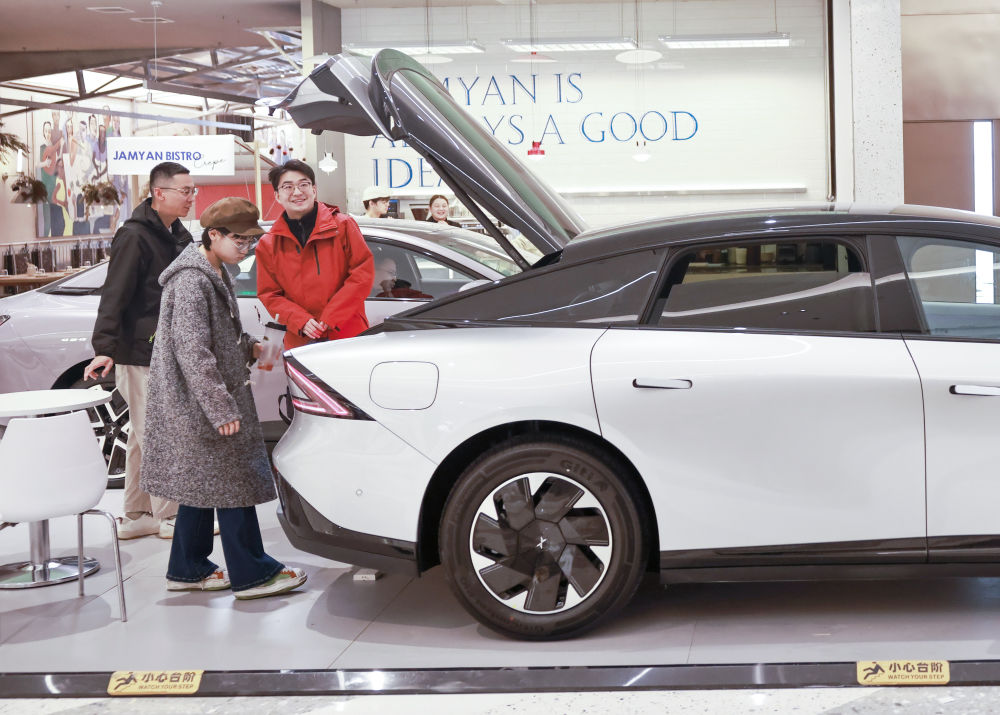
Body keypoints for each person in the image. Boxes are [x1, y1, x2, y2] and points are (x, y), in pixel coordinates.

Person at [140, 197, 307, 600]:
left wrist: (250, 347)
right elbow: (192, 350)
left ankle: (188, 568)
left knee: (202, 486)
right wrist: (220, 407)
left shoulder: (212, 271)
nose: (246, 247)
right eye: (239, 239)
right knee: (234, 483)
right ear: (213, 235)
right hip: (201, 404)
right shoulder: (192, 280)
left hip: (201, 402)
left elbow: (216, 336)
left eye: (250, 240)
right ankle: (254, 574)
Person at [83, 161, 195, 540]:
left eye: (192, 191)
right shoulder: (134, 236)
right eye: (185, 191)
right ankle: (172, 516)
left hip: (167, 349)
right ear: (159, 193)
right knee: (159, 434)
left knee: (141, 435)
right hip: (140, 351)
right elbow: (114, 294)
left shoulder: (177, 235)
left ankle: (137, 514)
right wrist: (104, 347)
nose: (191, 198)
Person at [255, 159, 374, 350]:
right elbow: (269, 294)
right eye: (288, 187)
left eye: (303, 184)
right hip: (301, 338)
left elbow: (362, 275)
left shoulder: (343, 226)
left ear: (314, 190)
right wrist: (299, 320)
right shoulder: (269, 244)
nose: (297, 192)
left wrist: (331, 316)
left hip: (346, 331)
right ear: (277, 195)